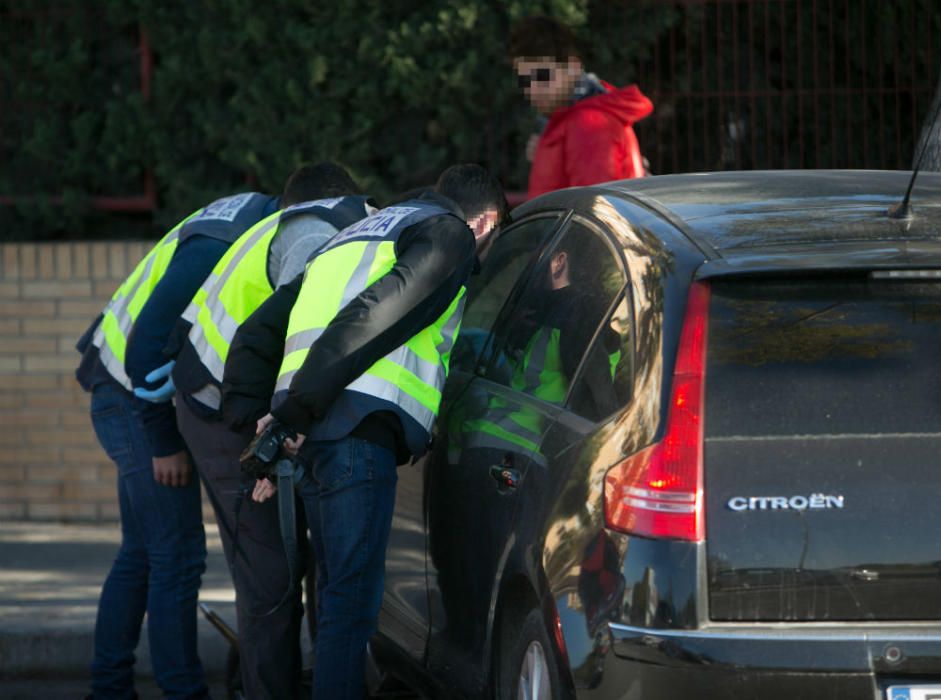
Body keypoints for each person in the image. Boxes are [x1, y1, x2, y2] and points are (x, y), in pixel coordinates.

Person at [224, 163, 507, 699]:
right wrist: (295, 412)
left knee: (337, 602)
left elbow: (256, 332)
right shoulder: (448, 235)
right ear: (486, 223)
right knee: (349, 610)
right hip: (354, 436)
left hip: (316, 438)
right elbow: (373, 315)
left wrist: (264, 422)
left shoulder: (356, 233)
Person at [137, 162, 374, 700]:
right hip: (221, 413)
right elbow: (303, 338)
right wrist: (275, 444)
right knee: (270, 575)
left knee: (297, 559)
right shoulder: (313, 233)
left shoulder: (286, 226)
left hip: (231, 397)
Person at [75, 186, 282, 700]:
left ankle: (109, 687)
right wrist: (162, 440)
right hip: (130, 396)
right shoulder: (232, 240)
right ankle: (182, 691)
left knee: (144, 552)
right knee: (177, 554)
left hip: (116, 384)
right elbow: (146, 346)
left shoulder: (244, 214)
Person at [510, 15, 653, 199]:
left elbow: (593, 213)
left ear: (573, 68)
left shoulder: (588, 124)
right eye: (524, 80)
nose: (532, 89)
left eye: (543, 75)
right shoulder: (569, 120)